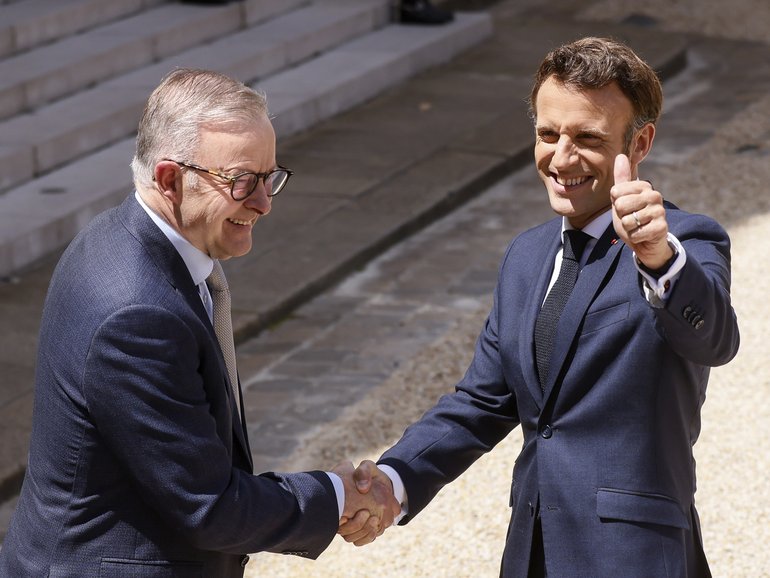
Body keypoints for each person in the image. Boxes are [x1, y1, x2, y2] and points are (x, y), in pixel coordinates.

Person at [339, 37, 740, 577]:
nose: (562, 157)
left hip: (635, 557)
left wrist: (660, 258)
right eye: (548, 134)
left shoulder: (686, 241)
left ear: (640, 142)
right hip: (532, 552)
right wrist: (394, 480)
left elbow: (714, 338)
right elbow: (482, 400)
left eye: (588, 138)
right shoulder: (526, 256)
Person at [0, 68, 398, 577]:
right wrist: (339, 495)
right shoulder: (138, 314)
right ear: (170, 179)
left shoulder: (115, 236)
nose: (264, 203)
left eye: (270, 177)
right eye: (241, 182)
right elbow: (209, 505)